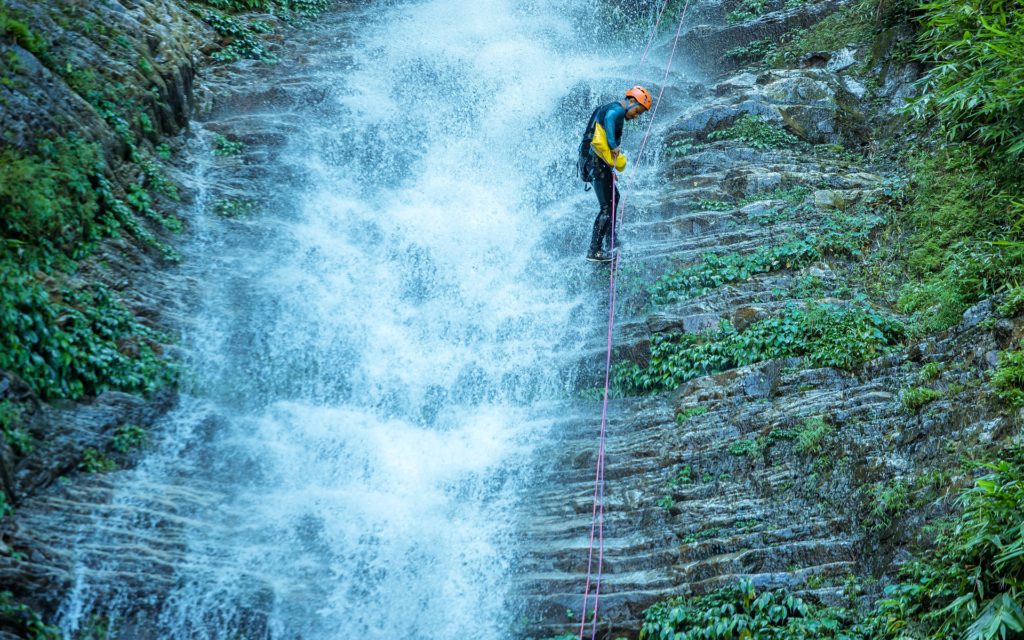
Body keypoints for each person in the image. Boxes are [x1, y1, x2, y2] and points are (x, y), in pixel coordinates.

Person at [577, 85, 652, 262]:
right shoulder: (616, 110)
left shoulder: (608, 107)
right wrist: (613, 144)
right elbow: (610, 119)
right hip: (596, 162)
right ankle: (594, 250)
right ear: (632, 101)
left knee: (614, 198)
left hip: (595, 161)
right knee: (606, 206)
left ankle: (611, 239)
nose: (636, 117)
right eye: (638, 111)